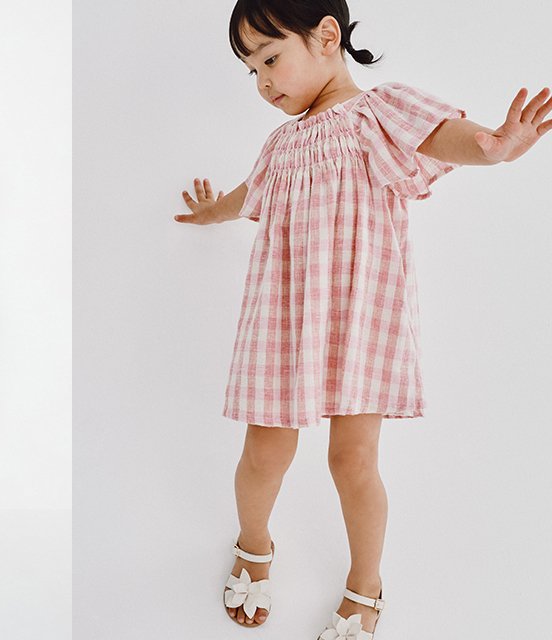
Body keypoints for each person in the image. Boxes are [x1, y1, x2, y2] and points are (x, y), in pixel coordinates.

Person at [174, 0, 550, 637]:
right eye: (251, 71)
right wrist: (214, 213)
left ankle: (365, 582)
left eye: (270, 58)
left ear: (326, 36)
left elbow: (447, 139)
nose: (264, 82)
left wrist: (494, 146)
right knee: (264, 452)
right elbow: (251, 195)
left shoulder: (380, 110)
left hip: (361, 311)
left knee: (353, 459)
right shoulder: (280, 143)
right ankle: (254, 543)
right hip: (282, 315)